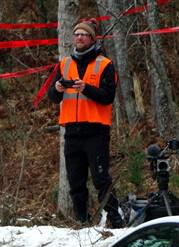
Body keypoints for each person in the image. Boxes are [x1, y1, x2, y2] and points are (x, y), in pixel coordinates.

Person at [48, 19, 124, 228]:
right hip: (72, 131)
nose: (79, 37)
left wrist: (86, 88)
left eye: (83, 34)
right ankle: (81, 223)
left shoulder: (105, 64)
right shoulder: (64, 64)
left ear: (92, 38)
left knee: (101, 179)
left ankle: (115, 220)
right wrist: (57, 89)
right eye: (76, 34)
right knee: (76, 182)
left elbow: (108, 96)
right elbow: (52, 97)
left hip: (96, 131)